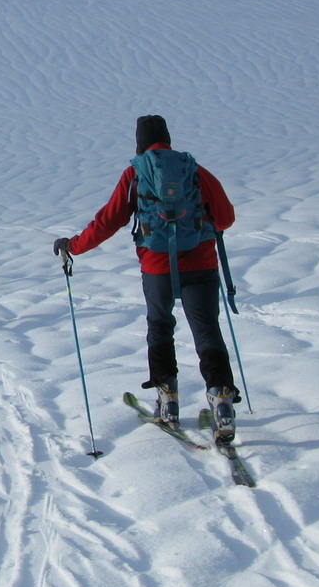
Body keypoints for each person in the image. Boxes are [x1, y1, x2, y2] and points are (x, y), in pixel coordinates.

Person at [53, 115, 240, 438]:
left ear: (139, 141)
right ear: (168, 137)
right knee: (207, 330)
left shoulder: (136, 174)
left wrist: (74, 246)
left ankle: (167, 399)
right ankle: (221, 397)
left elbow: (108, 221)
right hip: (201, 264)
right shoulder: (194, 170)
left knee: (160, 325)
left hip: (157, 267)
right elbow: (225, 218)